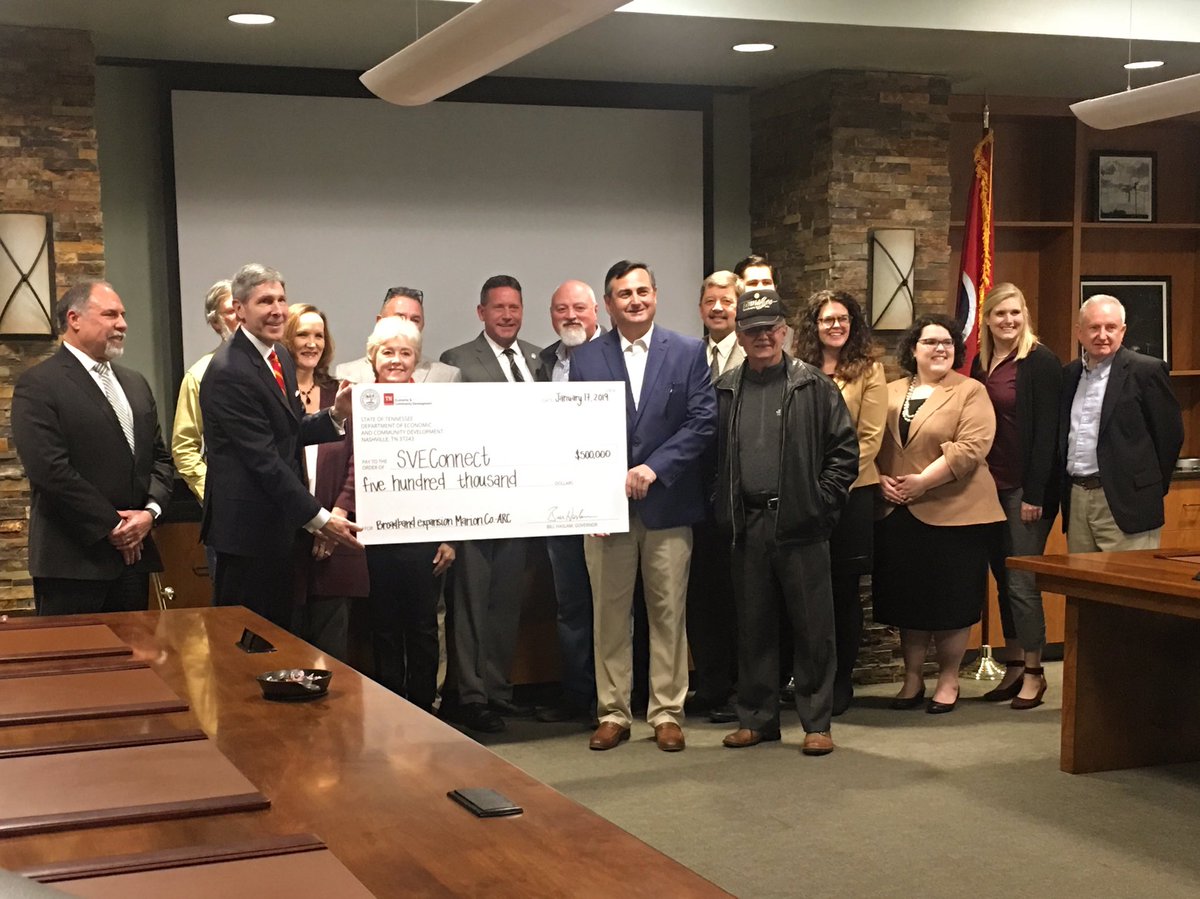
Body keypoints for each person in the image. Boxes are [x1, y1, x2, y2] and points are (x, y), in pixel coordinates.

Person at [570, 260, 717, 752]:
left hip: (669, 505)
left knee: (668, 614)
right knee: (609, 616)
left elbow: (702, 421)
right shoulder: (586, 359)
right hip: (606, 511)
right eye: (623, 294)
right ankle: (613, 712)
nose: (634, 301)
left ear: (655, 294)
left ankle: (667, 712)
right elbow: (576, 434)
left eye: (641, 291)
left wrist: (655, 467)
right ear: (608, 304)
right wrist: (591, 500)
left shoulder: (689, 352)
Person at [714, 288, 858, 755]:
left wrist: (819, 504)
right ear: (740, 336)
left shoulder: (813, 386)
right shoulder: (725, 389)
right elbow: (711, 458)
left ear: (785, 332)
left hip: (801, 524)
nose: (763, 337)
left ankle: (817, 724)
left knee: (813, 630)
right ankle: (757, 719)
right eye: (753, 330)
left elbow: (844, 454)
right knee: (752, 626)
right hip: (746, 524)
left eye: (771, 329)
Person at [200, 263, 361, 630]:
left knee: (280, 641)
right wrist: (321, 519)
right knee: (245, 643)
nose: (276, 310)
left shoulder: (279, 357)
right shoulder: (229, 370)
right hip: (246, 537)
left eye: (281, 299)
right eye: (264, 301)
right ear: (239, 309)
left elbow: (289, 430)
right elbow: (264, 460)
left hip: (279, 532)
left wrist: (335, 415)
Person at [12, 280, 174, 615]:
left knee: (135, 649)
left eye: (123, 315)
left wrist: (149, 514)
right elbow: (49, 470)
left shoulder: (135, 383)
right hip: (73, 563)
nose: (122, 324)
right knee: (72, 651)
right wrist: (113, 526)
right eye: (111, 315)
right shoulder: (39, 384)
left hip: (134, 559)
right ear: (74, 319)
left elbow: (159, 458)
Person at [874, 314, 1004, 714]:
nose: (940, 348)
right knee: (909, 601)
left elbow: (971, 448)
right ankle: (912, 679)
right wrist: (878, 479)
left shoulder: (970, 391)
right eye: (930, 342)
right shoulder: (889, 391)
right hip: (898, 511)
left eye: (947, 342)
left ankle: (948, 680)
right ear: (913, 349)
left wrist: (922, 483)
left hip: (956, 512)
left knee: (952, 601)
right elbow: (868, 441)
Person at [438, 275, 541, 733]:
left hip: (523, 503)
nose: (507, 315)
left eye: (514, 307)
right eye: (498, 307)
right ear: (481, 313)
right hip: (474, 502)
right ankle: (470, 696)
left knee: (505, 603)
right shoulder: (457, 361)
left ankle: (499, 691)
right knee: (471, 605)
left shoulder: (539, 359)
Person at [342, 317, 455, 712]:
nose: (396, 360)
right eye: (388, 352)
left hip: (424, 537)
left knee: (423, 627)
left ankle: (424, 709)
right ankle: (390, 711)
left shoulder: (434, 406)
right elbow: (346, 468)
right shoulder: (356, 404)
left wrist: (449, 536)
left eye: (405, 353)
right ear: (373, 358)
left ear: (416, 360)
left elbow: (449, 472)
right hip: (373, 535)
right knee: (383, 626)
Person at [794, 288, 887, 715]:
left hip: (850, 496)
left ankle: (840, 680)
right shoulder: (797, 367)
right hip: (802, 494)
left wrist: (833, 483)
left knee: (843, 593)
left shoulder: (869, 369)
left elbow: (870, 437)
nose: (836, 325)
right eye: (827, 319)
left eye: (843, 319)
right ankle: (806, 678)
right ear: (814, 326)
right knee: (804, 590)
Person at [972, 283, 1063, 709]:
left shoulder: (1040, 362)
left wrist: (1035, 493)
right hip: (988, 488)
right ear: (987, 320)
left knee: (1023, 582)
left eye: (1015, 312)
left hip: (1026, 490)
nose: (1008, 320)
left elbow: (1048, 434)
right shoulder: (981, 363)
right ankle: (1012, 664)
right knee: (1003, 577)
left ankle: (1034, 672)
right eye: (1000, 314)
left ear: (1025, 314)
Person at [1062, 294, 1183, 554]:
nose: (1102, 335)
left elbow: (1170, 436)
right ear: (1079, 332)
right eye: (1094, 327)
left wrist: (1148, 488)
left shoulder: (1147, 371)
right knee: (1081, 579)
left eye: (1110, 327)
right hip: (1078, 499)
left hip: (1128, 501)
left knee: (1129, 579)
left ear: (1123, 331)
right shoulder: (1069, 375)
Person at [535, 279, 602, 723]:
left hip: (608, 502)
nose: (571, 316)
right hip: (558, 502)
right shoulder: (542, 362)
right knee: (572, 604)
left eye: (579, 307)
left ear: (596, 312)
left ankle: (619, 697)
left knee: (616, 605)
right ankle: (579, 696)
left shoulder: (617, 355)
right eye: (562, 309)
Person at [285, 304, 369, 659]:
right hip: (287, 538)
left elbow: (358, 459)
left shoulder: (341, 393)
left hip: (335, 539)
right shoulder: (274, 393)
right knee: (287, 651)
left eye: (318, 335)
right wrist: (312, 520)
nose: (312, 343)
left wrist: (335, 517)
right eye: (302, 334)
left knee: (331, 655)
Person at [687, 270, 745, 724]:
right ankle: (710, 685)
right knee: (702, 597)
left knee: (740, 596)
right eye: (710, 301)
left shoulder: (755, 355)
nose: (718, 308)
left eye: (726, 301)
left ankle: (741, 690)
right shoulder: (690, 355)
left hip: (741, 495)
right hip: (694, 495)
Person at [171, 279, 238, 503]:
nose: (240, 315)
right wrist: (214, 494)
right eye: (231, 310)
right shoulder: (199, 375)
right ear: (215, 322)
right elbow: (184, 448)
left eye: (243, 307)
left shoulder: (276, 364)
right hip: (231, 503)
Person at [335, 286, 462, 384]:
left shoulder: (447, 376)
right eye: (400, 317)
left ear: (423, 325)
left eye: (415, 320)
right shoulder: (347, 374)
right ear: (379, 322)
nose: (407, 325)